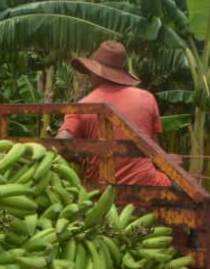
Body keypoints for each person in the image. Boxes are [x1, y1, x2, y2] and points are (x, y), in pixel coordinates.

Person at [56, 40, 171, 187]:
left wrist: (76, 156)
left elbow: (59, 144)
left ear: (97, 74)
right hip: (148, 185)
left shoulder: (83, 106)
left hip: (101, 192)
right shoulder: (146, 98)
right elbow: (155, 151)